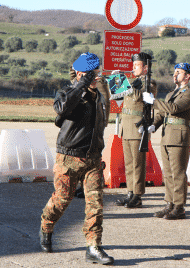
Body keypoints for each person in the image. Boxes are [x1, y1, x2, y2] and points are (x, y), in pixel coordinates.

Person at [39, 53, 114, 265]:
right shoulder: (67, 93)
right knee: (62, 200)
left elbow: (103, 122)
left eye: (99, 74)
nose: (98, 78)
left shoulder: (98, 95)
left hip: (92, 159)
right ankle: (46, 224)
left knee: (96, 205)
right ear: (82, 74)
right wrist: (81, 84)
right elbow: (61, 108)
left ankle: (93, 246)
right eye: (94, 75)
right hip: (69, 158)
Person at [142, 63, 190, 220]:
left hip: (179, 137)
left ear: (187, 76)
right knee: (168, 173)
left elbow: (173, 108)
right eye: (174, 72)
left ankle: (179, 207)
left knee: (178, 173)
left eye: (178, 73)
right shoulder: (171, 94)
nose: (175, 75)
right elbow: (162, 114)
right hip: (167, 136)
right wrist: (153, 125)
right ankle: (170, 204)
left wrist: (153, 101)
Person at [115, 52, 158, 209]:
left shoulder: (149, 83)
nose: (133, 68)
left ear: (145, 68)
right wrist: (116, 81)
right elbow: (118, 96)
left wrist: (125, 82)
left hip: (137, 128)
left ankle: (137, 195)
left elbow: (141, 96)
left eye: (137, 65)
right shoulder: (134, 82)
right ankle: (130, 193)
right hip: (126, 128)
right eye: (133, 65)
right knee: (128, 163)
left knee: (138, 164)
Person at [69, 66, 111, 199]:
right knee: (84, 156)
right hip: (90, 123)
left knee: (93, 157)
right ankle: (84, 186)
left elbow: (105, 102)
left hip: (97, 123)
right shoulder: (87, 81)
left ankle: (96, 184)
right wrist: (77, 64)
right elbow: (74, 77)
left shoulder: (100, 83)